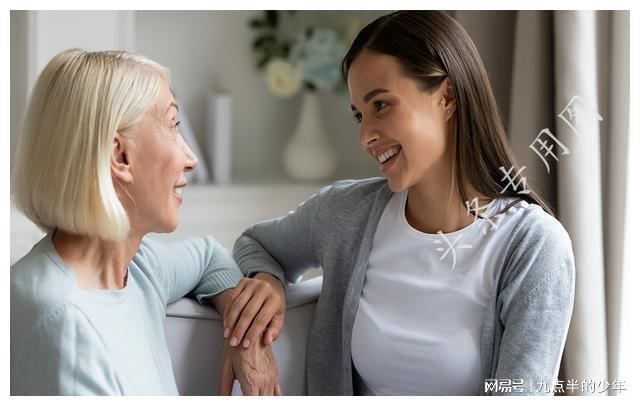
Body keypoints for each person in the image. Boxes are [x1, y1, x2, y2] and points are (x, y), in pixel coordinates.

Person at [233, 11, 575, 395]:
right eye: (358, 116)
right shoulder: (347, 214)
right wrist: (267, 281)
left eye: (381, 105)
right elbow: (255, 242)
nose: (365, 136)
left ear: (447, 98)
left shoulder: (533, 247)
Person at [10, 49, 285, 395]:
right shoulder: (67, 327)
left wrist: (245, 336)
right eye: (172, 126)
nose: (190, 158)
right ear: (119, 156)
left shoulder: (137, 270)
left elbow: (208, 257)